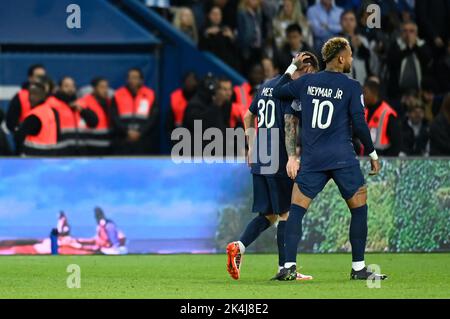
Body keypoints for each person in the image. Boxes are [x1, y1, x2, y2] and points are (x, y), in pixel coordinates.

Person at [272, 38, 387, 281]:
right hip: (342, 158)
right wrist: (373, 153)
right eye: (350, 55)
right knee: (359, 210)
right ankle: (358, 269)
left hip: (313, 160)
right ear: (341, 58)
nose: (352, 60)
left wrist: (292, 66)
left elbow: (277, 91)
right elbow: (359, 123)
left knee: (296, 212)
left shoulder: (306, 82)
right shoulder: (352, 86)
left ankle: (289, 267)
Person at [226, 51, 319, 281]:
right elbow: (289, 124)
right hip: (277, 155)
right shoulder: (290, 90)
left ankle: (239, 246)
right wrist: (291, 157)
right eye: (312, 75)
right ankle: (285, 268)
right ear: (306, 69)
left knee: (268, 215)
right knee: (286, 212)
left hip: (260, 155)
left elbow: (248, 116)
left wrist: (250, 146)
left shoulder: (267, 85)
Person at [111, 68, 159, 155]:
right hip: (123, 139)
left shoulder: (150, 94)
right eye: (130, 77)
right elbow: (114, 117)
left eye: (135, 77)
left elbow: (153, 118)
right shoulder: (118, 94)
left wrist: (140, 132)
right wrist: (126, 132)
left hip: (144, 140)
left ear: (141, 80)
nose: (132, 80)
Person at [47, 77, 99, 155]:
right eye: (66, 86)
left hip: (81, 150)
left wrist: (82, 110)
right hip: (60, 150)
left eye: (72, 86)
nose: (70, 89)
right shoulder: (52, 103)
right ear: (60, 88)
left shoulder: (81, 103)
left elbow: (94, 122)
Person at [386, 21, 432, 99]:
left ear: (416, 33)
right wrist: (408, 47)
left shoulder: (422, 45)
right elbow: (392, 63)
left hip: (419, 92)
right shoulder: (395, 45)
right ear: (401, 33)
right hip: (398, 92)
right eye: (405, 31)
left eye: (411, 31)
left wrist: (415, 46)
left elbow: (427, 60)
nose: (408, 34)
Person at [15, 82, 61, 156]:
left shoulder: (33, 116)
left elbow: (19, 137)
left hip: (33, 158)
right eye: (30, 94)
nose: (31, 97)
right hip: (51, 157)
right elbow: (58, 134)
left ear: (43, 96)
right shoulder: (52, 111)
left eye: (35, 94)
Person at [363, 79, 402, 156]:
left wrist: (386, 162)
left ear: (374, 93)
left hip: (382, 161)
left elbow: (397, 144)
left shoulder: (387, 113)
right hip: (365, 160)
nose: (363, 96)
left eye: (365, 93)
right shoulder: (364, 112)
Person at [6, 64, 47, 134]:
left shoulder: (50, 96)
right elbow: (11, 122)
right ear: (30, 78)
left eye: (43, 77)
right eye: (38, 76)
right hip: (28, 142)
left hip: (49, 141)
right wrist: (21, 133)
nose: (41, 79)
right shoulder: (20, 96)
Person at [76, 77, 112, 156]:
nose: (105, 90)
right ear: (94, 89)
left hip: (108, 145)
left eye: (106, 87)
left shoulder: (110, 103)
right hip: (90, 145)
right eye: (102, 87)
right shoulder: (84, 102)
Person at [199, 6, 241, 71]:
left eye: (218, 14)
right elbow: (201, 47)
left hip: (227, 64)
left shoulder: (226, 29)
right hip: (212, 63)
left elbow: (235, 49)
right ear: (209, 15)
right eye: (214, 14)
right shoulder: (204, 29)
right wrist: (206, 34)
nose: (216, 16)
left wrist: (232, 38)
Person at [339, 10, 372, 85]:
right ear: (340, 22)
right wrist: (352, 47)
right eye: (345, 19)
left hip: (360, 81)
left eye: (351, 19)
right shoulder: (334, 41)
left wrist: (360, 46)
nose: (348, 23)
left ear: (356, 23)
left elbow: (368, 58)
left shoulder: (362, 40)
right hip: (341, 83)